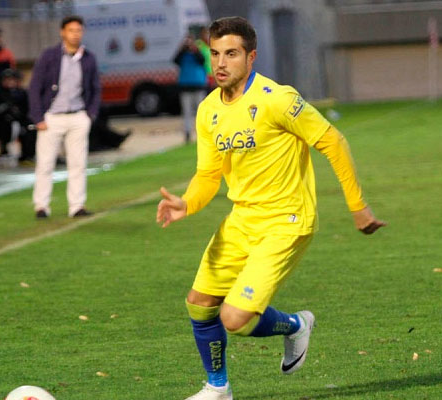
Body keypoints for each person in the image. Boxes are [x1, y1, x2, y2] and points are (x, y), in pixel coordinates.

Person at [156, 17, 386, 400]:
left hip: (286, 221)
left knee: (235, 319)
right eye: (215, 54)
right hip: (241, 220)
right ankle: (218, 388)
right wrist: (187, 202)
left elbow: (333, 141)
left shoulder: (277, 99)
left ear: (251, 57)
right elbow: (208, 174)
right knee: (199, 304)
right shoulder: (208, 109)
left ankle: (295, 325)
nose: (220, 63)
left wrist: (358, 207)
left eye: (231, 54)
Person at [28, 15, 100, 219]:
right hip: (52, 117)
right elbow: (34, 87)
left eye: (78, 30)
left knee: (78, 163)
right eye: (71, 30)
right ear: (62, 32)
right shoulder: (49, 56)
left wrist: (90, 115)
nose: (75, 34)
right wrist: (37, 117)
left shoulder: (88, 58)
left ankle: (76, 206)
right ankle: (41, 206)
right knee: (45, 163)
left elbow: (95, 88)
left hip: (78, 116)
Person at [0, 68, 35, 161]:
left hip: (19, 121)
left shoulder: (21, 92)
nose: (10, 82)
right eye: (7, 79)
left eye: (12, 79)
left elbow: (26, 110)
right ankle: (3, 150)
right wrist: (8, 108)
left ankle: (27, 155)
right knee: (4, 127)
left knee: (30, 127)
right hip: (3, 123)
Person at [173, 33, 207, 143]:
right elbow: (175, 60)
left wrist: (195, 49)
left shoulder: (197, 52)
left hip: (198, 85)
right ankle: (187, 132)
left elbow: (202, 61)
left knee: (201, 112)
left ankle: (203, 133)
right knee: (187, 112)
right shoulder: (182, 54)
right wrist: (182, 48)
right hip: (185, 86)